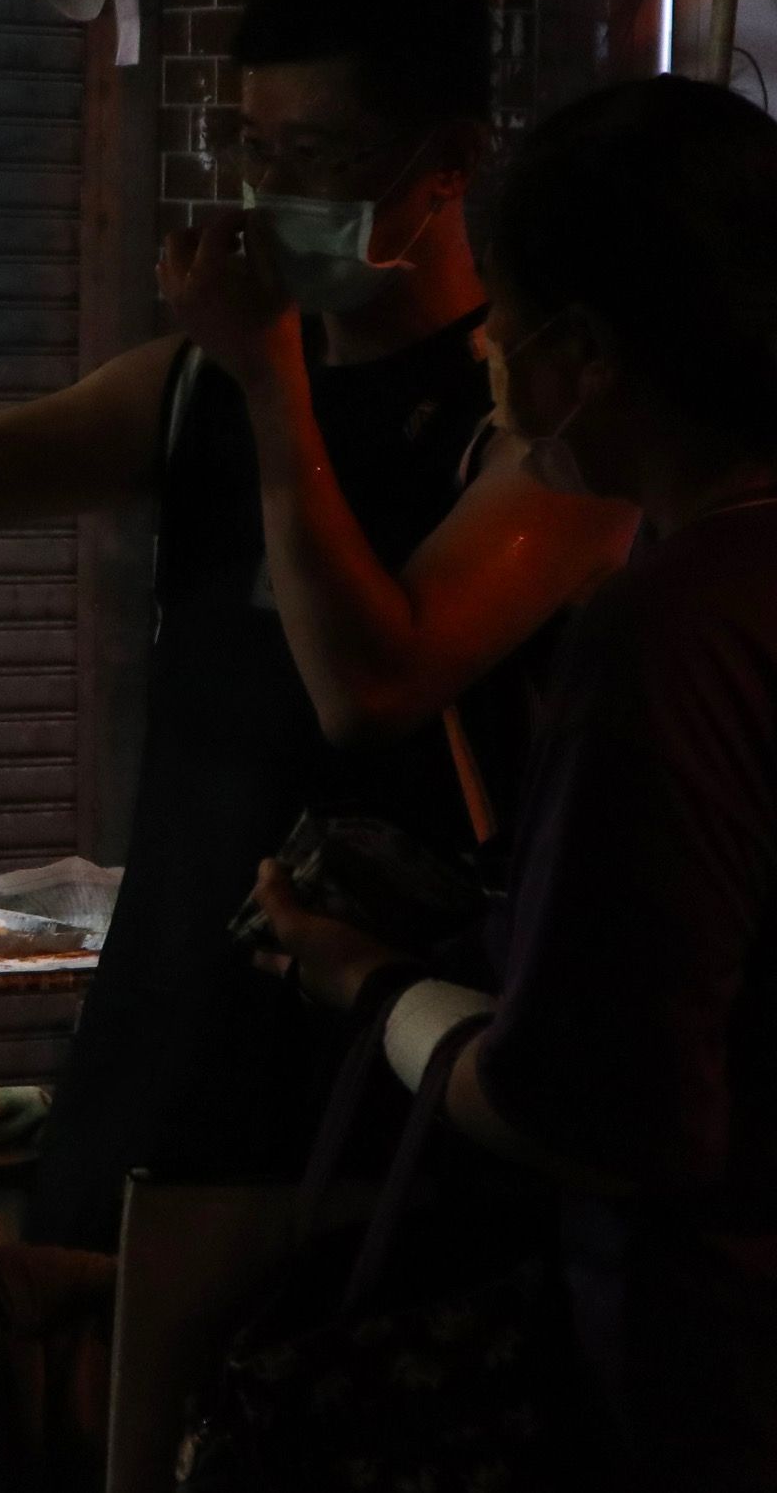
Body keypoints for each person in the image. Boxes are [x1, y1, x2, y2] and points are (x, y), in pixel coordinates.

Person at [0, 0, 637, 1247]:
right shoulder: (195, 383)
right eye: (256, 147)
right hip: (176, 1001)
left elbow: (377, 684)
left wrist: (274, 385)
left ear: (448, 160)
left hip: (390, 1039)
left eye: (320, 155)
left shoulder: (536, 426)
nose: (271, 192)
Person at [259, 75, 777, 1478]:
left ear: (588, 352)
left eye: (506, 312)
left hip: (712, 1375)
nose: (487, 342)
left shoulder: (670, 626)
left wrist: (365, 981)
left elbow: (592, 1110)